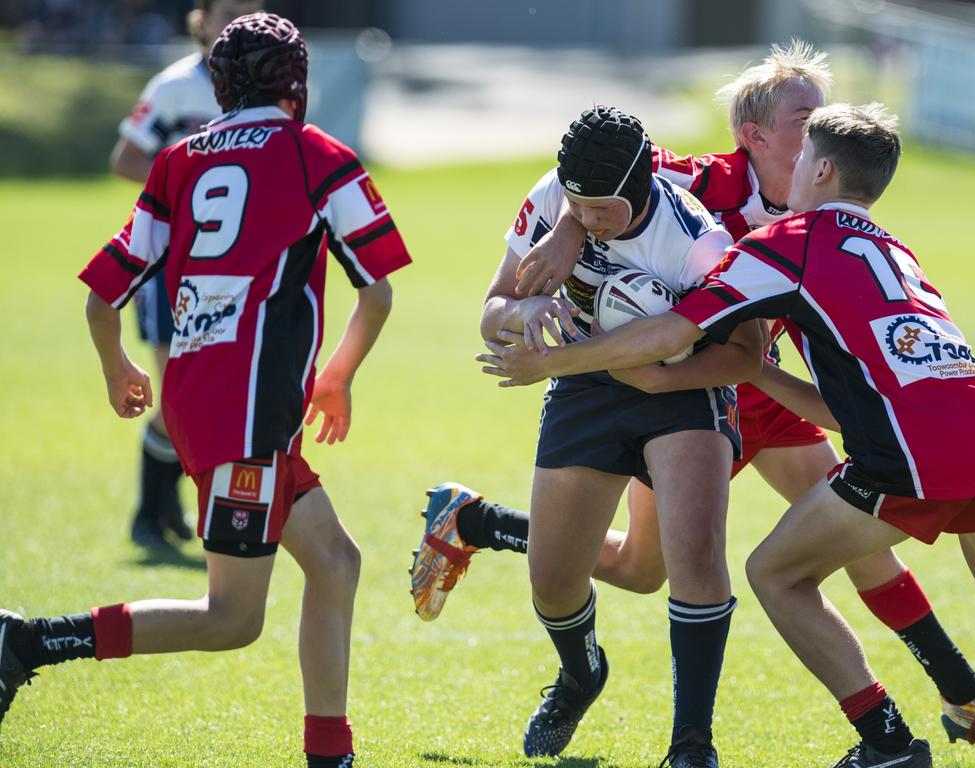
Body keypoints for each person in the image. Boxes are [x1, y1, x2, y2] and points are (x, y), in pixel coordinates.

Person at [411, 41, 975, 750]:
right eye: (805, 116)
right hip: (685, 381)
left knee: (850, 553)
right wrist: (572, 227)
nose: (820, 125)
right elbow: (606, 173)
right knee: (646, 569)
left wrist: (584, 359)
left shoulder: (809, 220)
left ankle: (956, 698)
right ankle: (481, 524)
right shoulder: (697, 179)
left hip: (745, 384)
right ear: (755, 135)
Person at [0, 14, 411, 767]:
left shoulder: (180, 158)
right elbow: (376, 290)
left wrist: (118, 367)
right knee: (230, 618)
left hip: (204, 397)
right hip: (249, 411)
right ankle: (26, 642)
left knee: (336, 563)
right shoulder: (316, 152)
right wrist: (339, 376)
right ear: (296, 82)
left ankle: (331, 752)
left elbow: (102, 297)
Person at [470, 104, 765, 767]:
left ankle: (692, 745)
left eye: (602, 209)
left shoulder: (696, 242)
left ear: (641, 188)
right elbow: (491, 312)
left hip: (684, 386)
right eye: (579, 204)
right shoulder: (554, 199)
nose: (589, 218)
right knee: (553, 581)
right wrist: (526, 308)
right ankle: (581, 673)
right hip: (585, 384)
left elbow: (750, 353)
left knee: (692, 558)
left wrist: (663, 381)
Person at [111, 0, 262, 549]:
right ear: (203, 20)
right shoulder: (175, 87)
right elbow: (126, 156)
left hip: (236, 270)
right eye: (229, 10)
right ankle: (151, 513)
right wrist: (186, 189)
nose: (239, 20)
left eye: (251, 9)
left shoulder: (266, 92)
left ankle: (163, 509)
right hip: (171, 266)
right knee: (183, 395)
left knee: (207, 395)